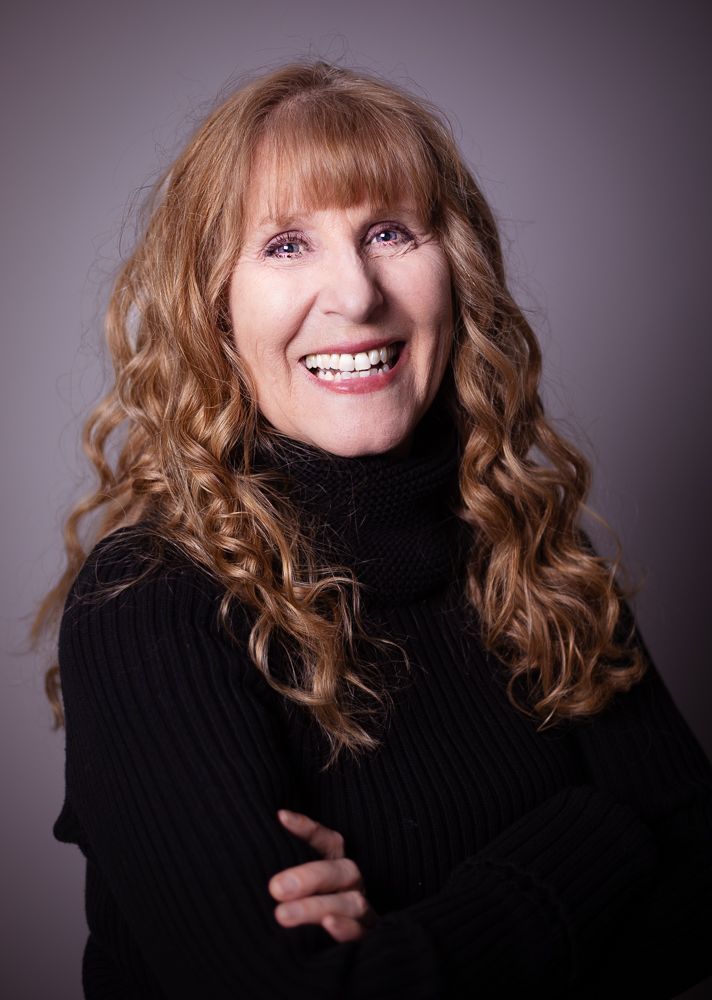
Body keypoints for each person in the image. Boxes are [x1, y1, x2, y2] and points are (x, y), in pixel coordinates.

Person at [35, 60, 712, 999]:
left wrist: (405, 931)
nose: (354, 294)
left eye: (389, 232)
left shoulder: (530, 550)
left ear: (457, 271)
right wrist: (604, 834)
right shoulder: (149, 608)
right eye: (284, 246)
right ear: (214, 310)